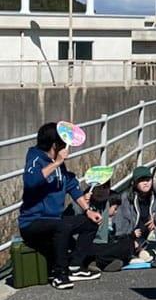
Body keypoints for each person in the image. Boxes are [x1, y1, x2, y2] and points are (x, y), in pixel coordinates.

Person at [18, 123, 103, 289]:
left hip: (55, 220)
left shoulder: (58, 163)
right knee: (62, 226)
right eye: (63, 144)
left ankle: (75, 266)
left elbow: (71, 185)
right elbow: (31, 181)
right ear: (55, 145)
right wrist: (56, 163)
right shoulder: (35, 159)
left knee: (90, 222)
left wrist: (87, 210)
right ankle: (59, 274)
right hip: (33, 222)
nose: (67, 148)